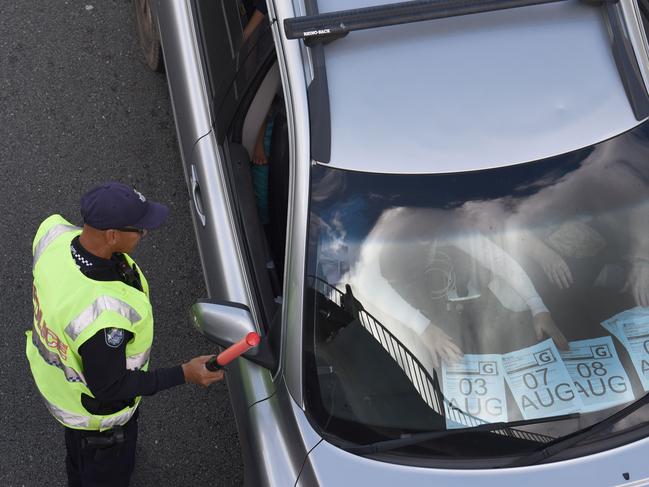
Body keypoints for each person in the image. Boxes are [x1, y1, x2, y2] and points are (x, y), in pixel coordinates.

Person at [26, 182, 225, 487]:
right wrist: (185, 373)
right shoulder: (105, 317)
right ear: (113, 235)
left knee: (77, 464)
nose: (144, 234)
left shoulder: (53, 234)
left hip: (68, 401)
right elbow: (110, 387)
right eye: (139, 229)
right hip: (100, 424)